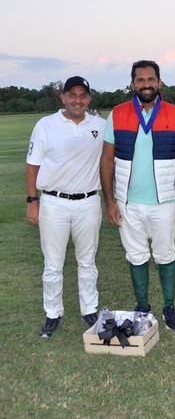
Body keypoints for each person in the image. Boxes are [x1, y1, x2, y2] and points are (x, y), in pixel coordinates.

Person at [100, 60, 175, 331]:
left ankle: (169, 307)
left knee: (165, 254)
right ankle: (142, 307)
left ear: (159, 82)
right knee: (136, 255)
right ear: (132, 84)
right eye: (140, 80)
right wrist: (110, 202)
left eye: (150, 79)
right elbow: (107, 160)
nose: (145, 84)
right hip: (127, 203)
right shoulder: (117, 114)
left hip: (164, 203)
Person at [26, 76, 106, 338]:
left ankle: (89, 309)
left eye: (83, 95)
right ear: (62, 97)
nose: (78, 100)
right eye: (72, 95)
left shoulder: (100, 125)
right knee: (53, 264)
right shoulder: (46, 125)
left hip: (88, 201)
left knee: (87, 261)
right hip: (53, 202)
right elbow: (33, 165)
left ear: (89, 99)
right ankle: (52, 313)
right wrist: (32, 201)